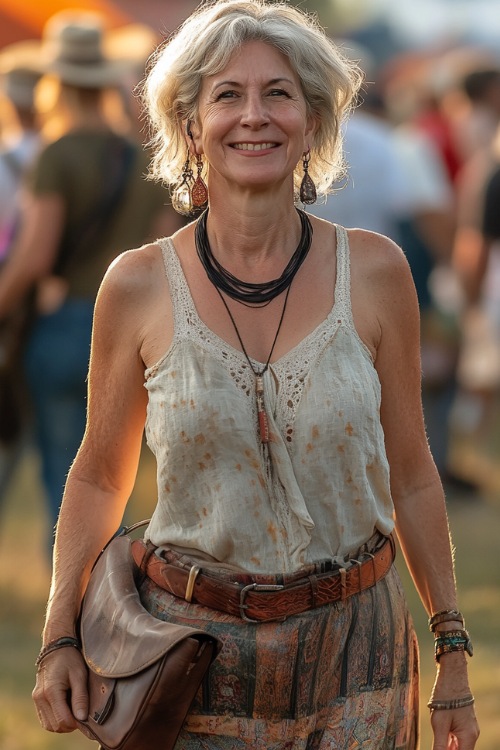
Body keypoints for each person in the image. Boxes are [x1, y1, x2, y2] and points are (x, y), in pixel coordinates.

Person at [32, 2, 479, 748]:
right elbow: (100, 478)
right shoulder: (137, 285)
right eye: (227, 95)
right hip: (192, 663)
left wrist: (453, 648)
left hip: (360, 656)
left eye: (280, 93)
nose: (254, 116)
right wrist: (58, 639)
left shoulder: (374, 272)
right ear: (188, 125)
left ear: (313, 121)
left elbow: (412, 475)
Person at [0, 11, 179, 548]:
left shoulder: (57, 154)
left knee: (67, 472)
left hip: (68, 324)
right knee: (116, 476)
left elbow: (34, 256)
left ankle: (73, 608)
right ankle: (109, 596)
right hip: (135, 332)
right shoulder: (143, 156)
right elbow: (163, 249)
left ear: (56, 83)